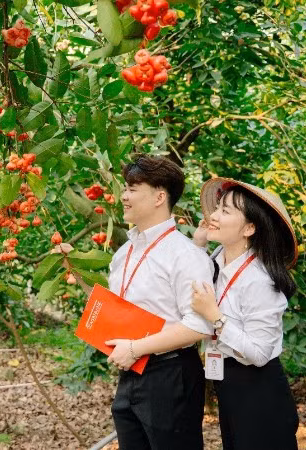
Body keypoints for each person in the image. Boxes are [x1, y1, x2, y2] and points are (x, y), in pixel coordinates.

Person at [70, 154, 214, 450]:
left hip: (171, 375)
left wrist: (136, 348)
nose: (123, 196)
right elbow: (117, 310)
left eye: (133, 189)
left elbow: (200, 325)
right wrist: (74, 267)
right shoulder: (124, 254)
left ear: (160, 196)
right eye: (125, 188)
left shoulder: (186, 255)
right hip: (131, 374)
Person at [190, 178, 299, 450]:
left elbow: (260, 354)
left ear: (250, 228)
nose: (213, 216)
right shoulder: (217, 257)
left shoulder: (260, 280)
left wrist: (216, 317)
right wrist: (198, 245)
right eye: (217, 208)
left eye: (225, 211)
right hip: (228, 383)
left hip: (259, 392)